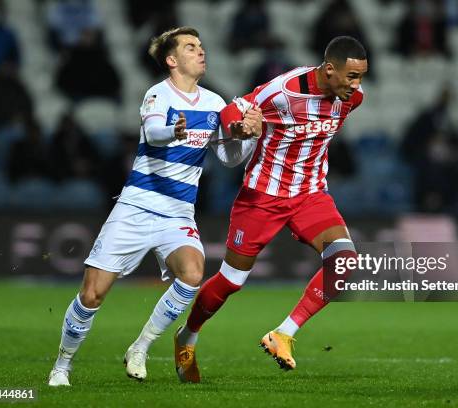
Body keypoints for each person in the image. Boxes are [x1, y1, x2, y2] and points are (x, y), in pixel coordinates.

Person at [47, 26, 262, 387]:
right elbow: (153, 133)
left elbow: (228, 158)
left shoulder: (215, 104)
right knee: (92, 293)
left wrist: (247, 137)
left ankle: (141, 347)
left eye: (202, 46)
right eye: (192, 47)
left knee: (192, 275)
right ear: (172, 59)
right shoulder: (157, 95)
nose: (201, 52)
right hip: (137, 206)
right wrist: (174, 132)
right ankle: (62, 365)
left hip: (178, 211)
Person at [173, 36, 367, 383]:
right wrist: (239, 126)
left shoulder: (351, 99)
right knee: (232, 281)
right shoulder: (284, 91)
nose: (357, 86)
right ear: (329, 69)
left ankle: (283, 333)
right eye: (351, 77)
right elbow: (234, 108)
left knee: (345, 261)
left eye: (361, 77)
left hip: (310, 194)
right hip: (263, 195)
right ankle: (187, 335)